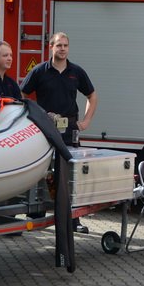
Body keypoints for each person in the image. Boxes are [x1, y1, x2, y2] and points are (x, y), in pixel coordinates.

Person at [21, 32, 98, 233]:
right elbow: (22, 95)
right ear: (51, 47)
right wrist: (35, 116)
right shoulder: (39, 71)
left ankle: (73, 219)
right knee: (41, 169)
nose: (62, 49)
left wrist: (86, 121)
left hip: (70, 129)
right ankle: (36, 213)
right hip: (45, 129)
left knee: (71, 174)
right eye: (59, 45)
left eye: (65, 45)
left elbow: (92, 95)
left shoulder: (76, 72)